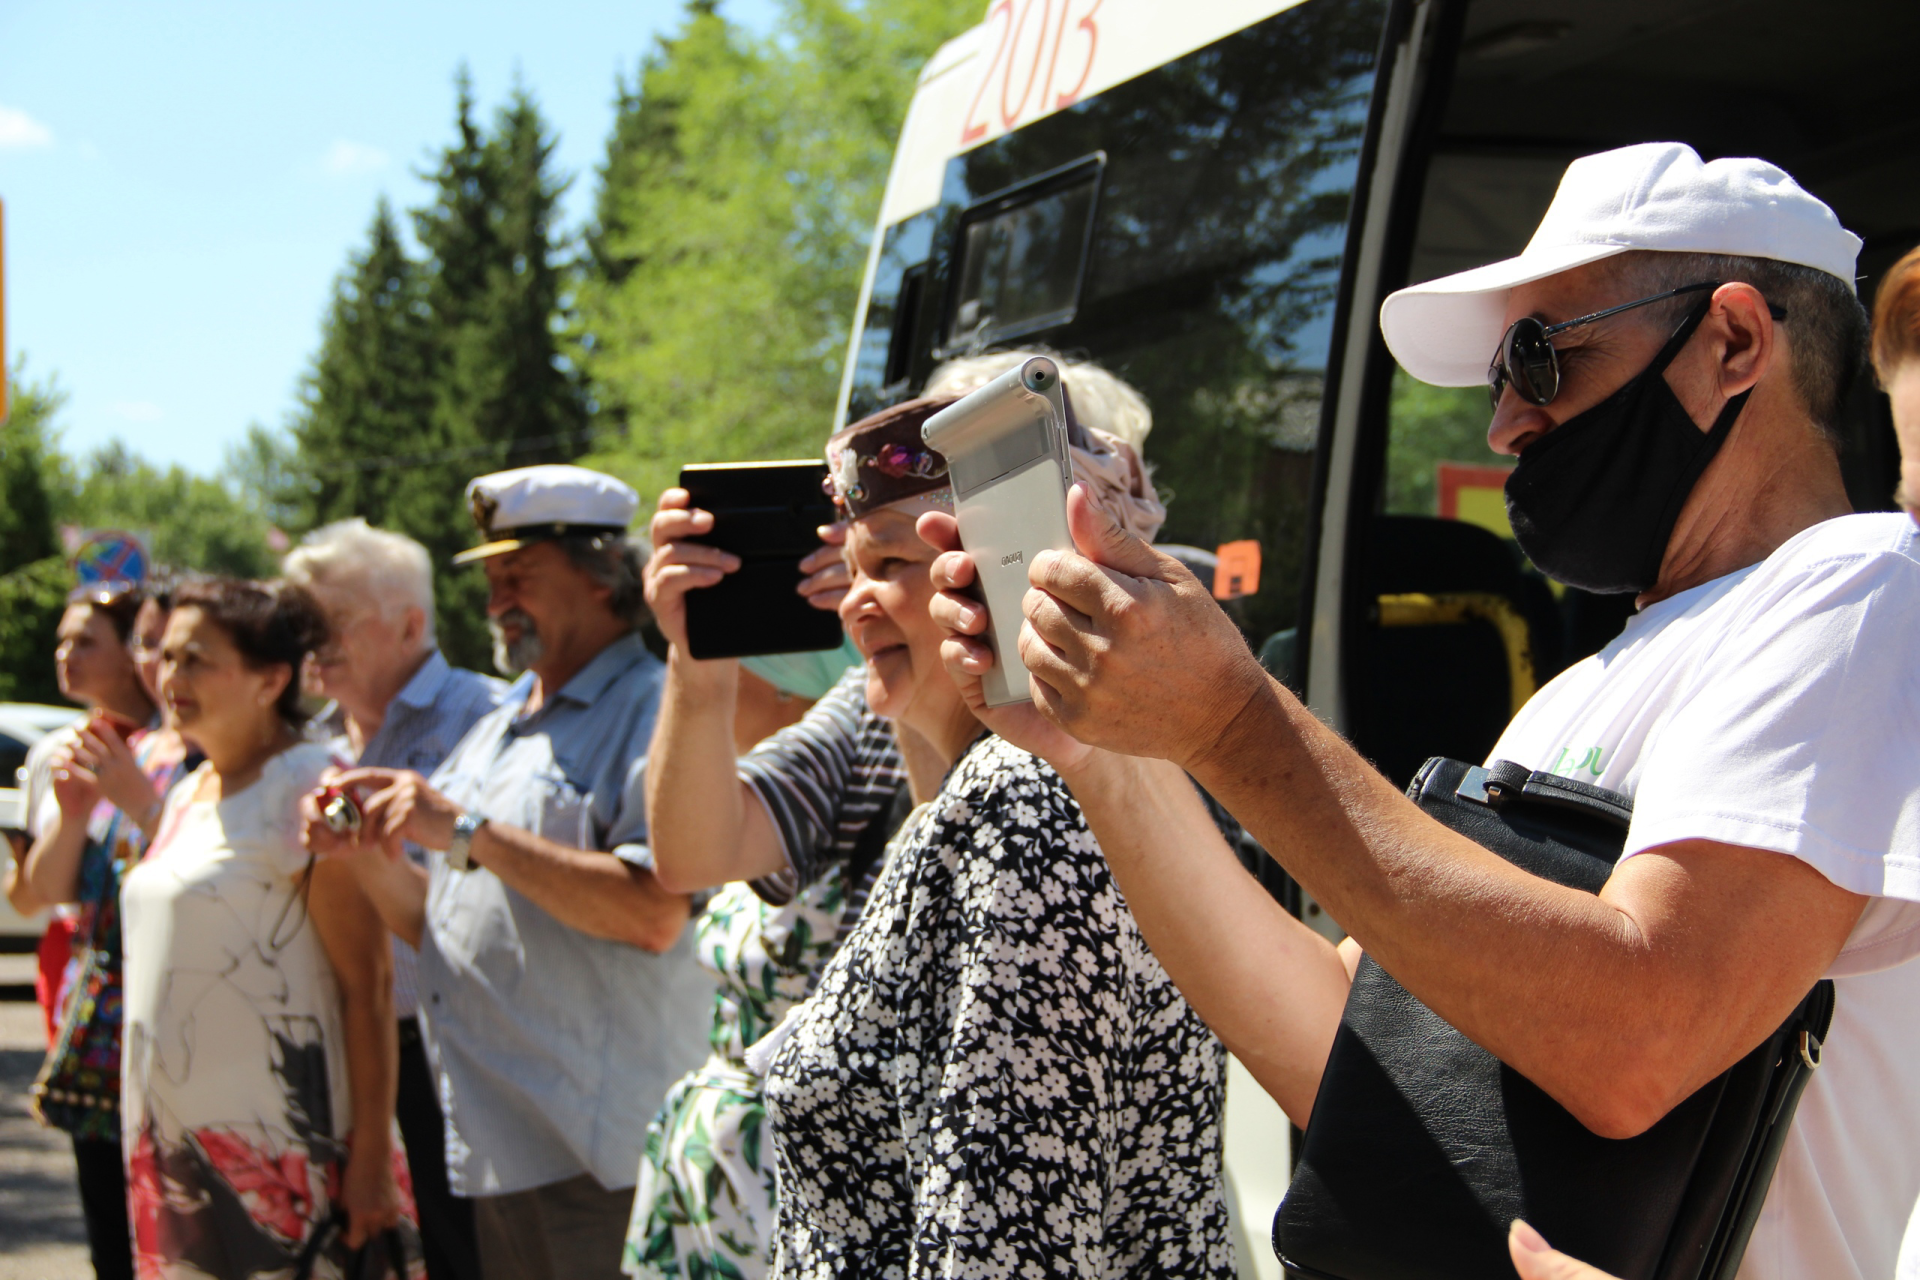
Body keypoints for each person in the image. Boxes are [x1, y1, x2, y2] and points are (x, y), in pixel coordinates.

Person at [928, 142, 1920, 1280]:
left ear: (1734, 342)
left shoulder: (1863, 588)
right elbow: (1355, 1049)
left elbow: (1642, 1032)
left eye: (1541, 360)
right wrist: (1104, 755)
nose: (1503, 423)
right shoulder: (1586, 685)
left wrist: (1234, 722)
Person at [303, 465, 712, 1280]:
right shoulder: (500, 727)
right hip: (504, 1148)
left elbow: (653, 913)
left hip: (600, 1159)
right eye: (491, 582)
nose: (495, 604)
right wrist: (370, 857)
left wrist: (463, 828)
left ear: (603, 580)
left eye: (517, 577)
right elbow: (444, 925)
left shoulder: (651, 708)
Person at [121, 578, 419, 1278]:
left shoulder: (309, 785)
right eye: (167, 657)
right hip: (176, 1149)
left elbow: (367, 986)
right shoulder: (189, 791)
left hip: (288, 1155)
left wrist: (371, 1157)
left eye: (197, 659)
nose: (172, 677)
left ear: (271, 679)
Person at [285, 519, 504, 1280]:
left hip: (462, 1054)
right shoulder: (310, 748)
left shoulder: (491, 720)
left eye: (331, 620)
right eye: (302, 620)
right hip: (345, 1056)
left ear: (411, 623)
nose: (311, 642)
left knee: (464, 1259)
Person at [23, 576, 196, 1280]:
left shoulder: (200, 758)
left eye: (85, 640)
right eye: (150, 645)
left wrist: (141, 803)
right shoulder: (71, 753)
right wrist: (71, 811)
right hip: (99, 1025)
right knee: (115, 1235)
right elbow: (38, 894)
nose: (65, 653)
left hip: (184, 1032)